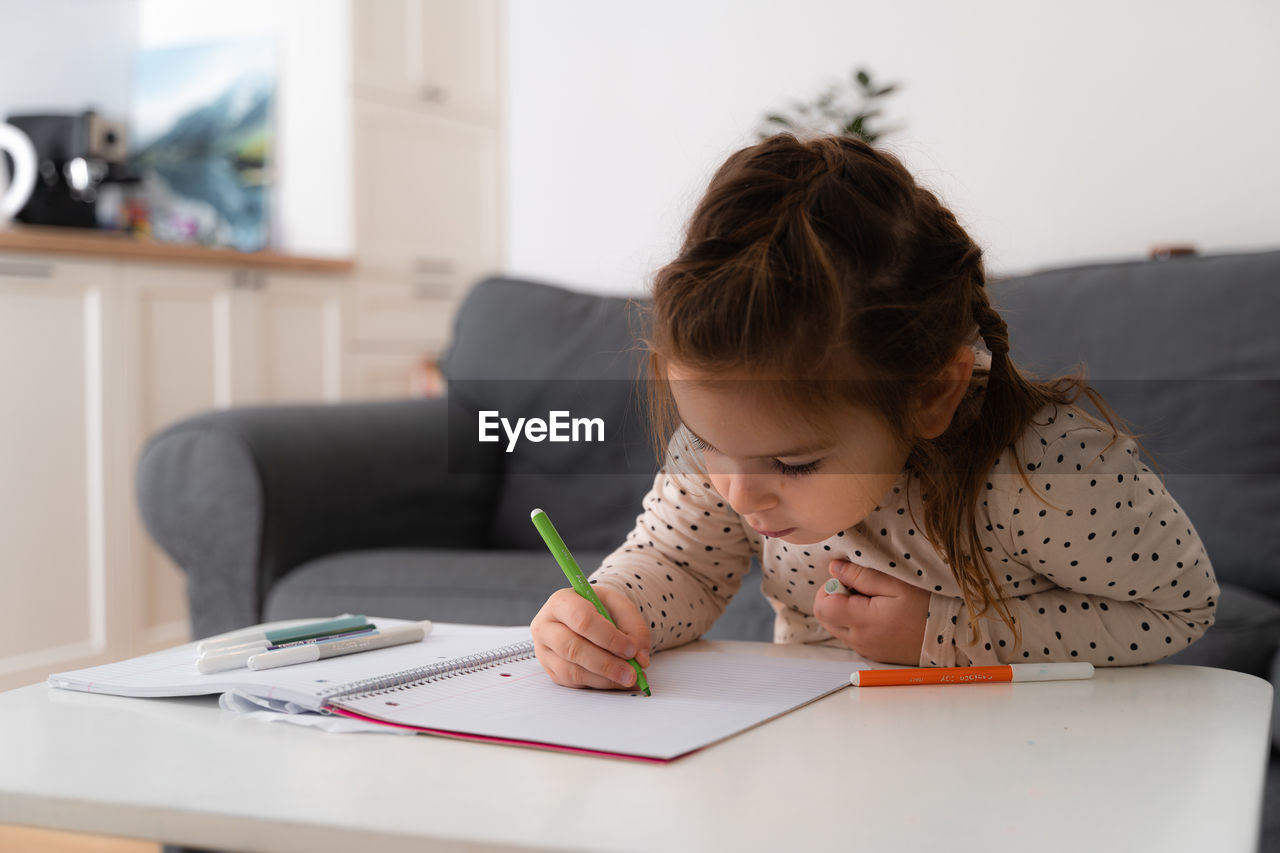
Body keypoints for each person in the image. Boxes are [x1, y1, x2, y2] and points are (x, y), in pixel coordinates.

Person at [530, 133, 1218, 690]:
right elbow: (680, 563)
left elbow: (1179, 607)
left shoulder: (1043, 467)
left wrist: (940, 633)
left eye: (793, 462)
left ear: (931, 395)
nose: (737, 493)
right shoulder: (737, 450)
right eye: (708, 442)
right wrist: (616, 611)